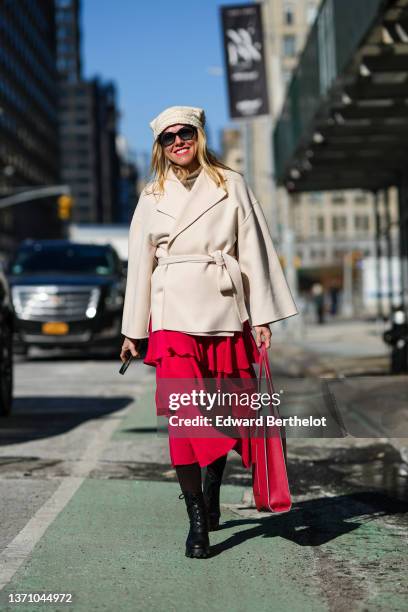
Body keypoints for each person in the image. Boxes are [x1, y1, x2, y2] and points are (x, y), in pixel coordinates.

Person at [120, 105, 298, 559]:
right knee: (185, 419)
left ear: (200, 135)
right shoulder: (151, 194)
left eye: (186, 133)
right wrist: (133, 330)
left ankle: (213, 488)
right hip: (173, 316)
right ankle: (197, 518)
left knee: (219, 414)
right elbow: (140, 267)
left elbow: (255, 248)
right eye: (168, 137)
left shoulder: (230, 183)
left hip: (223, 311)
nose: (178, 142)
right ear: (160, 147)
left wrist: (260, 316)